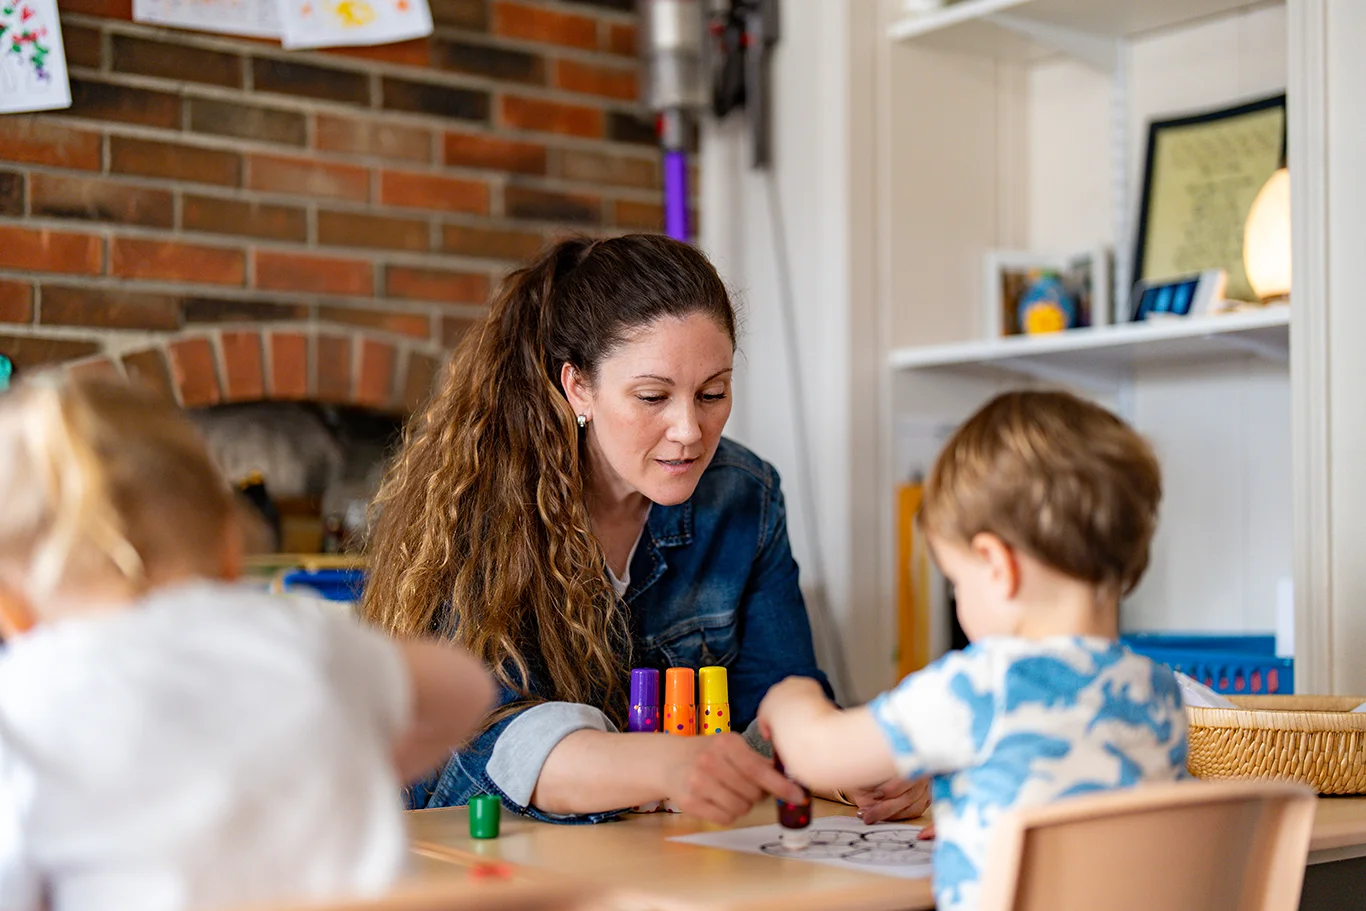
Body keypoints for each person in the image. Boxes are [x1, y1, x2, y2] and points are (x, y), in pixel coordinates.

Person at [361, 233, 929, 825]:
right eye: (653, 396)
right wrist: (666, 763)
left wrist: (845, 768)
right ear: (578, 387)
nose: (689, 429)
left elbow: (781, 704)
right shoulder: (481, 505)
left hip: (673, 862)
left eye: (713, 392)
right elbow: (490, 740)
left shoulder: (745, 496)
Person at [0, 375, 496, 911]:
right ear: (233, 553)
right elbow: (469, 690)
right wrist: (360, 742)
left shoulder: (22, 705)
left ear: (10, 608)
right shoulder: (305, 637)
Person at [758, 390, 1187, 911]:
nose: (959, 600)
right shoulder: (1158, 692)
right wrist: (987, 821)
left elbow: (818, 754)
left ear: (997, 567)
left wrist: (790, 698)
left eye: (956, 582)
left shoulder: (982, 684)